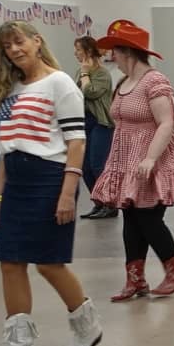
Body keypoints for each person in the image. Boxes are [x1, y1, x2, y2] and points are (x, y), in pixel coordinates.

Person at [0, 20, 102, 346]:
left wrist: (68, 194)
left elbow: (76, 142)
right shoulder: (10, 88)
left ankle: (87, 327)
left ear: (36, 41)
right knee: (10, 261)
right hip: (16, 180)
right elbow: (7, 147)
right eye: (7, 47)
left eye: (19, 42)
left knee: (48, 262)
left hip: (49, 177)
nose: (14, 50)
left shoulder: (60, 83)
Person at [92, 20, 174, 301]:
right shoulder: (124, 82)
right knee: (131, 218)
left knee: (148, 217)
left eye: (115, 51)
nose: (112, 58)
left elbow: (167, 123)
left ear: (127, 52)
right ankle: (135, 280)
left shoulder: (155, 81)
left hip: (154, 158)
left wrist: (150, 158)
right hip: (127, 159)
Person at [74, 36, 117, 220]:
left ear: (88, 51)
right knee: (85, 166)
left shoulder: (101, 73)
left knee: (97, 164)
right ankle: (98, 202)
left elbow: (90, 92)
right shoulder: (80, 71)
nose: (75, 53)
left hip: (101, 123)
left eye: (78, 49)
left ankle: (110, 204)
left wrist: (84, 74)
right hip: (85, 122)